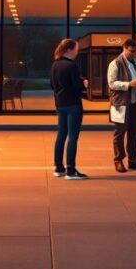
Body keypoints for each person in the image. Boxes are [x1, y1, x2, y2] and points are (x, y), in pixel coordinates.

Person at [106, 38, 136, 173]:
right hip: (121, 104)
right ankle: (118, 160)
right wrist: (128, 84)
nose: (133, 53)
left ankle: (133, 160)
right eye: (131, 51)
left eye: (135, 51)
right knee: (119, 133)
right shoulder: (115, 63)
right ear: (124, 48)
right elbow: (111, 83)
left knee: (135, 133)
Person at [50, 38, 88, 180]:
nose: (77, 52)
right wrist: (84, 83)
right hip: (73, 104)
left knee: (61, 135)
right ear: (69, 50)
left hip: (60, 104)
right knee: (73, 136)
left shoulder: (55, 65)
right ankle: (71, 170)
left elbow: (52, 85)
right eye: (76, 49)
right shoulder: (71, 66)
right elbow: (76, 85)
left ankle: (59, 168)